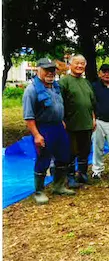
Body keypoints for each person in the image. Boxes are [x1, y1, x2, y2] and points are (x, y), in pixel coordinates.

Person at [22, 58, 76, 204]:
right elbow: (29, 117)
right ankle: (39, 192)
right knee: (44, 158)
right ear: (38, 70)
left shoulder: (55, 87)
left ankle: (58, 186)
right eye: (46, 70)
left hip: (58, 127)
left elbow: (58, 106)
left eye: (52, 70)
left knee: (64, 156)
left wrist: (62, 121)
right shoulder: (32, 90)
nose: (50, 73)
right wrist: (37, 135)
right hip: (43, 128)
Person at [59, 54, 96, 187]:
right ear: (70, 65)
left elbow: (91, 103)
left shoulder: (86, 83)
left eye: (82, 64)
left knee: (85, 151)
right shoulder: (64, 82)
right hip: (71, 124)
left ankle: (82, 174)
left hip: (86, 123)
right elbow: (59, 103)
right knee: (71, 152)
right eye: (77, 63)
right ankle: (70, 177)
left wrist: (93, 118)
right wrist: (61, 120)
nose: (80, 66)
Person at [91, 64, 109, 180]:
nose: (107, 74)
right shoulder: (94, 87)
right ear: (99, 73)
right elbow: (91, 104)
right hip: (99, 121)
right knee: (97, 147)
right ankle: (97, 170)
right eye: (104, 72)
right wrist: (93, 119)